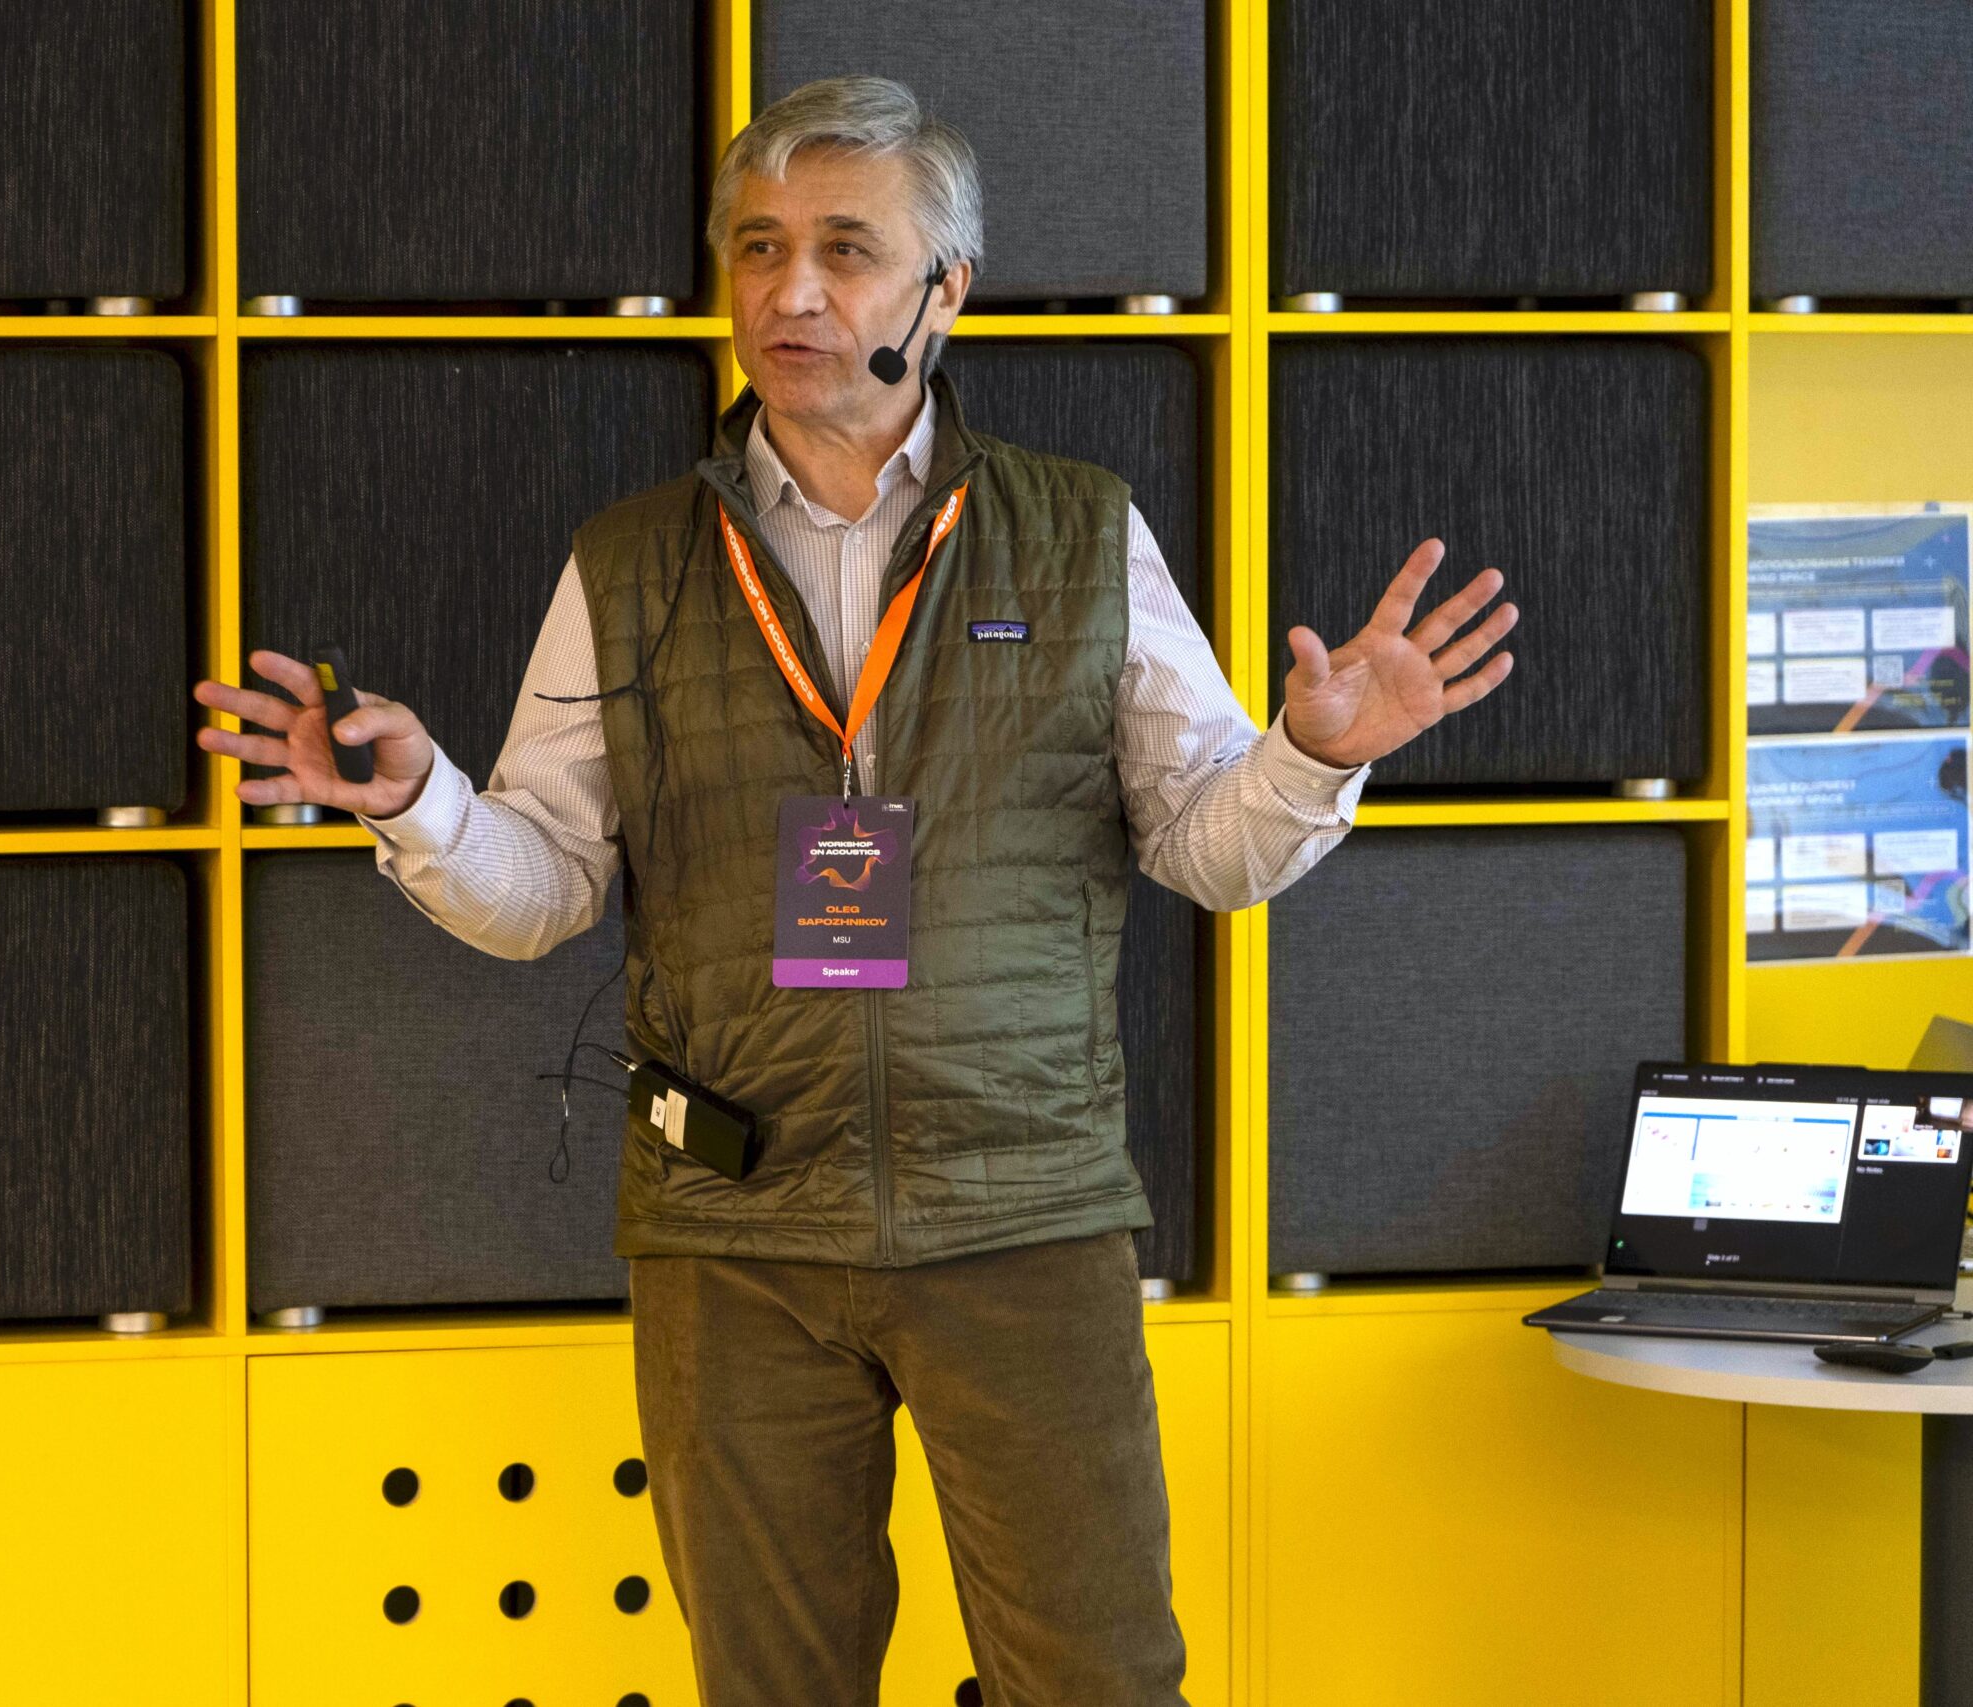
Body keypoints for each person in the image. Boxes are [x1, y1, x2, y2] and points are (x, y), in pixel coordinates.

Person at [196, 75, 1517, 1707]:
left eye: (845, 249)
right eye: (758, 249)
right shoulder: (629, 561)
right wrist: (419, 801)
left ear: (944, 290)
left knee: (1098, 1682)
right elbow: (542, 889)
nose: (793, 291)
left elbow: (1206, 847)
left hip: (1018, 1213)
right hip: (732, 1226)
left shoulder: (1079, 534)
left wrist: (1315, 754)